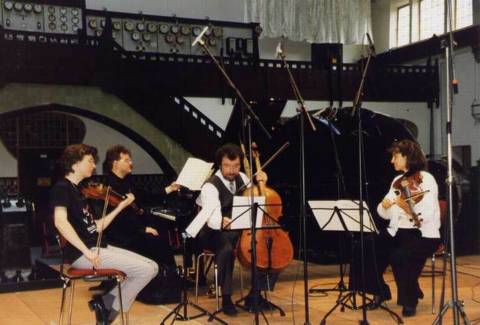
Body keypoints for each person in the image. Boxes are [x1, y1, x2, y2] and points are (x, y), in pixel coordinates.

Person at [51, 144, 158, 324]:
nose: (94, 165)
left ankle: (105, 305)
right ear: (75, 164)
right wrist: (87, 252)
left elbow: (97, 227)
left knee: (153, 267)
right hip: (84, 254)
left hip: (99, 246)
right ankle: (107, 308)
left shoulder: (78, 191)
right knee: (145, 270)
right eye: (90, 161)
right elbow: (60, 222)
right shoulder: (62, 188)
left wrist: (121, 206)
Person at [186, 143, 277, 316]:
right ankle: (226, 298)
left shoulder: (243, 178)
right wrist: (221, 221)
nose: (232, 170)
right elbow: (211, 218)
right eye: (227, 166)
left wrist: (262, 182)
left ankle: (255, 295)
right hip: (213, 231)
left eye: (236, 166)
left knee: (270, 245)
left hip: (239, 229)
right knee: (226, 249)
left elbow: (258, 198)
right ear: (220, 165)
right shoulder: (210, 186)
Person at [365, 139, 441, 317]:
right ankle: (380, 291)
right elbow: (384, 213)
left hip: (423, 235)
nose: (392, 160)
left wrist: (407, 207)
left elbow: (427, 215)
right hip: (398, 231)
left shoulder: (427, 179)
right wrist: (384, 206)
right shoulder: (397, 180)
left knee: (399, 254)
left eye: (395, 156)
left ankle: (409, 300)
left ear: (408, 157)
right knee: (366, 246)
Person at [100, 145, 181, 304]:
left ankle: (169, 281)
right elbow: (118, 220)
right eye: (127, 160)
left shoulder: (127, 182)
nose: (131, 163)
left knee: (162, 232)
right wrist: (142, 228)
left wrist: (170, 188)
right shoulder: (110, 186)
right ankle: (161, 283)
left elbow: (147, 196)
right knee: (156, 241)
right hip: (122, 235)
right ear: (115, 163)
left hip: (132, 229)